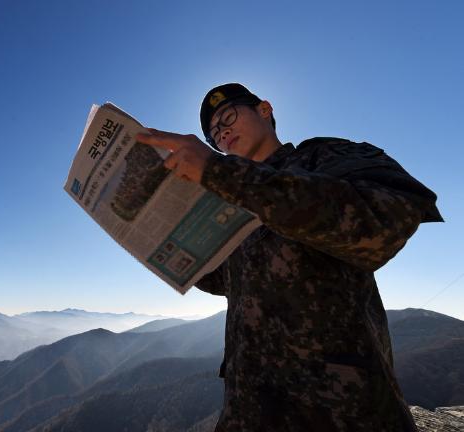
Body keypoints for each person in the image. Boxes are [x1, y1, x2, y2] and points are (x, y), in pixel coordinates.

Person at [136, 83, 444, 432]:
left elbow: (380, 227)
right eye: (215, 135)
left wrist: (219, 173)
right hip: (250, 408)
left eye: (228, 117)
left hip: (338, 410)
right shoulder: (228, 200)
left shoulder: (325, 157)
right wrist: (158, 243)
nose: (222, 133)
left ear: (265, 109)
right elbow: (227, 280)